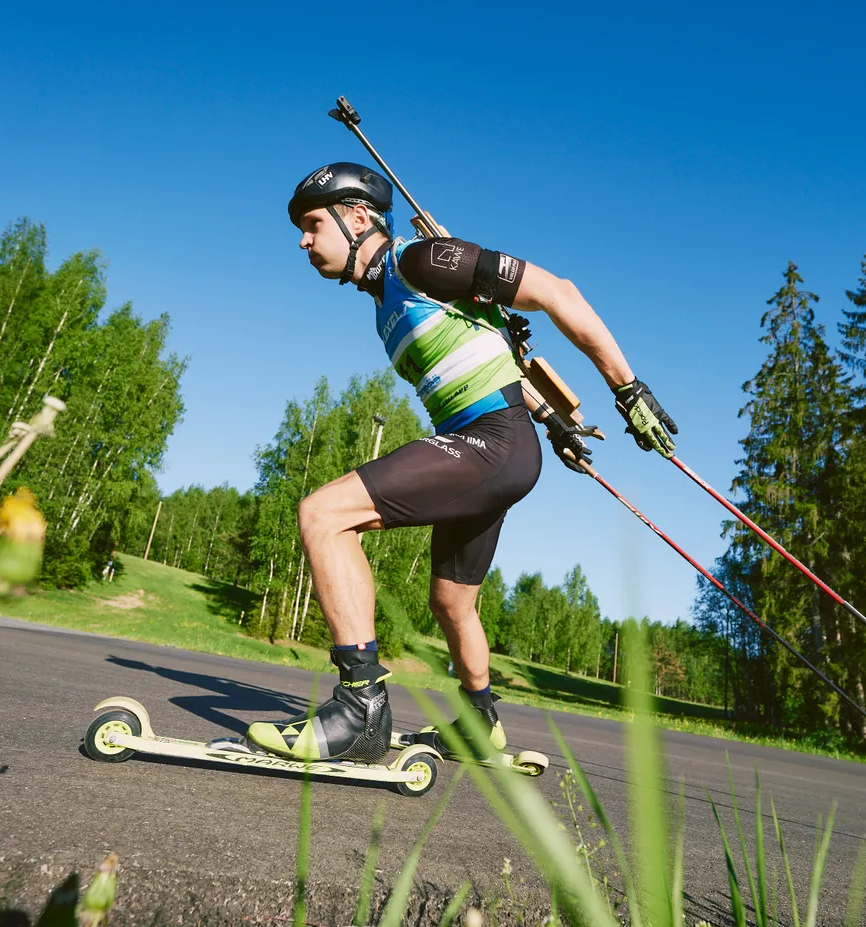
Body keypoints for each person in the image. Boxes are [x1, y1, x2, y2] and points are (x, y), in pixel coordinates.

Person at [242, 162, 678, 763]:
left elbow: (558, 292)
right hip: (497, 441)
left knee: (323, 515)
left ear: (359, 216)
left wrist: (628, 390)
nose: (303, 240)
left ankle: (360, 708)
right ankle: (481, 722)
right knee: (451, 601)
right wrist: (553, 425)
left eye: (314, 223)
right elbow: (494, 357)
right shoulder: (385, 301)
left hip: (489, 443)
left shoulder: (417, 261)